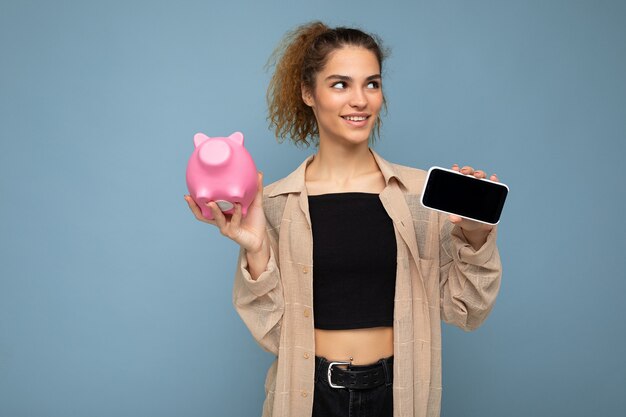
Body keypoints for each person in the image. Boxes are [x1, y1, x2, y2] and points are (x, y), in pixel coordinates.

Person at [184, 21, 502, 417]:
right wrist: (257, 249)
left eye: (372, 83)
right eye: (340, 84)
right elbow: (274, 333)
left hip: (399, 396)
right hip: (309, 396)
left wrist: (475, 235)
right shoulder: (277, 204)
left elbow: (466, 309)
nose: (361, 100)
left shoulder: (418, 197)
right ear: (307, 93)